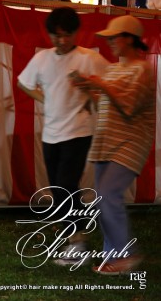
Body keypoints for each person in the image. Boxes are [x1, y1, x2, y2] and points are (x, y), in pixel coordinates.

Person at [17, 7, 109, 265]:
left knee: (66, 185)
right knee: (60, 189)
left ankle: (77, 243)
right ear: (49, 35)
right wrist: (44, 99)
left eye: (67, 35)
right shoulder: (42, 59)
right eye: (57, 35)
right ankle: (76, 238)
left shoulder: (89, 58)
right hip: (51, 134)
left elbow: (111, 84)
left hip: (79, 131)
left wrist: (90, 90)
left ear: (76, 33)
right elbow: (23, 83)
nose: (62, 40)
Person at [73, 15, 155, 275]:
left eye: (113, 37)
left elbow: (129, 107)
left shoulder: (143, 70)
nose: (109, 42)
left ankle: (124, 255)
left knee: (108, 195)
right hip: (107, 141)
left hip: (130, 142)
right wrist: (89, 89)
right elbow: (105, 105)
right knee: (103, 198)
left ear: (129, 39)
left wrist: (101, 85)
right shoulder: (113, 70)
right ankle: (113, 257)